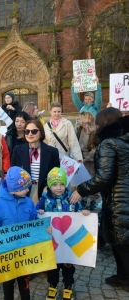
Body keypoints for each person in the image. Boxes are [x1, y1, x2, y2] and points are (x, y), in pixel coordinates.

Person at [70, 108, 129, 292]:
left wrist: (81, 189)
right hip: (123, 196)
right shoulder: (124, 141)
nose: (95, 125)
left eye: (97, 122)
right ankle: (122, 276)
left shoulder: (108, 144)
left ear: (104, 123)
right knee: (121, 241)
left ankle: (126, 279)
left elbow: (104, 177)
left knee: (121, 244)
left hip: (118, 199)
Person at [0, 166, 42, 300]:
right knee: (8, 285)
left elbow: (34, 221)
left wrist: (43, 227)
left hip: (24, 253)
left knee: (25, 285)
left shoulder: (29, 202)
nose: (28, 190)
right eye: (25, 188)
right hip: (6, 254)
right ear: (14, 189)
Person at [37, 167, 90, 300]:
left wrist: (83, 213)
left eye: (62, 184)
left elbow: (79, 211)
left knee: (68, 266)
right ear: (49, 185)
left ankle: (68, 286)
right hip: (52, 241)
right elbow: (36, 212)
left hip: (68, 240)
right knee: (52, 266)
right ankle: (53, 285)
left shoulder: (71, 198)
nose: (59, 187)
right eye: (55, 184)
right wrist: (40, 212)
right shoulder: (44, 199)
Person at [11, 120, 60, 204]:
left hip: (43, 191)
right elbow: (13, 173)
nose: (30, 134)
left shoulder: (52, 151)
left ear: (41, 132)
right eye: (27, 131)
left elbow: (55, 174)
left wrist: (48, 187)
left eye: (34, 131)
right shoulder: (17, 150)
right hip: (23, 190)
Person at [75, 112, 100, 210]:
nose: (78, 121)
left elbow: (95, 148)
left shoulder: (95, 131)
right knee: (82, 179)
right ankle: (83, 198)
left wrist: (87, 158)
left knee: (93, 179)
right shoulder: (79, 129)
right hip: (81, 157)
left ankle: (94, 199)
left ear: (86, 120)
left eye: (80, 119)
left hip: (91, 159)